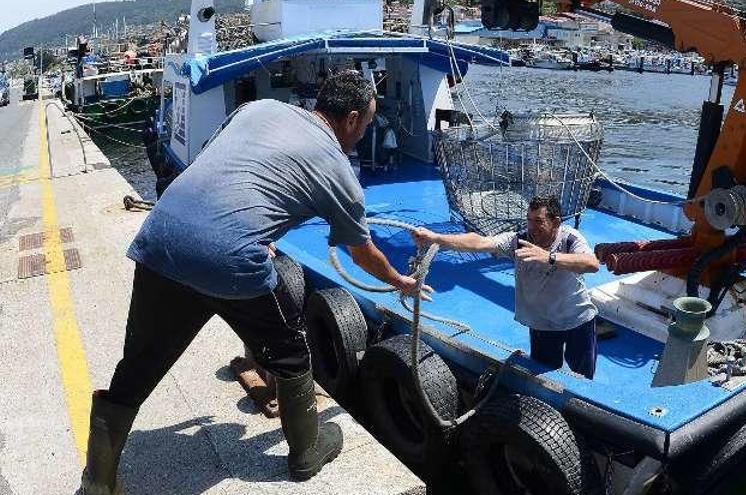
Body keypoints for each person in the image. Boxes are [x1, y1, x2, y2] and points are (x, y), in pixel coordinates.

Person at [81, 71, 431, 495]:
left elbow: (220, 164)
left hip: (161, 239)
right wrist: (400, 281)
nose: (364, 132)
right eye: (368, 124)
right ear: (353, 119)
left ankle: (98, 480)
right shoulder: (341, 173)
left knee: (138, 367)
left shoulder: (258, 108)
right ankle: (307, 451)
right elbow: (362, 253)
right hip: (231, 261)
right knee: (290, 353)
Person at [412, 196, 600, 377]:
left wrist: (549, 258)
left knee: (584, 377)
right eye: (529, 220)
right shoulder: (518, 241)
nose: (532, 228)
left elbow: (591, 264)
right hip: (543, 324)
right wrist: (435, 238)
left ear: (556, 222)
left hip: (578, 321)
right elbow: (480, 242)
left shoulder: (570, 239)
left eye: (538, 221)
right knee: (544, 376)